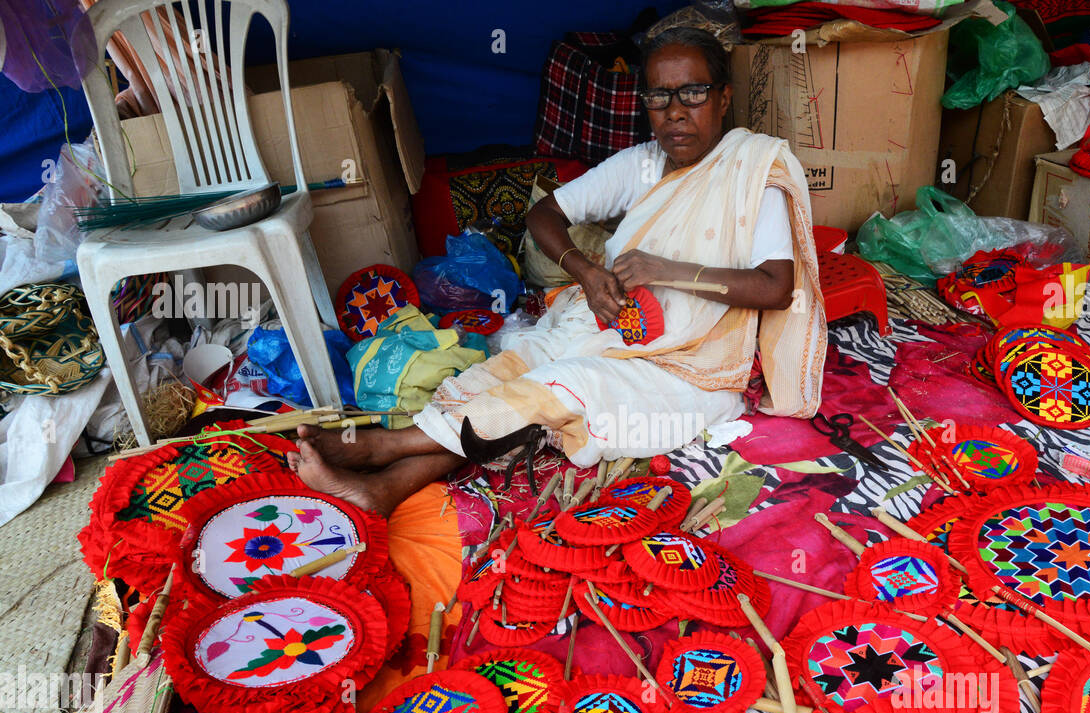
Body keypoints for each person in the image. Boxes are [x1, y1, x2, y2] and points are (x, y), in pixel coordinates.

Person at [288, 26, 826, 515]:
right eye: (659, 96)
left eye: (693, 92)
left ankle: (386, 446)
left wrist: (667, 270)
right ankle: (385, 489)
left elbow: (776, 287)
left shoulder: (753, 168)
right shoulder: (641, 164)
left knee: (555, 388)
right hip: (609, 330)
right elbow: (543, 213)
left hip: (689, 369)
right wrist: (586, 273)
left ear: (723, 96)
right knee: (503, 372)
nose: (675, 111)